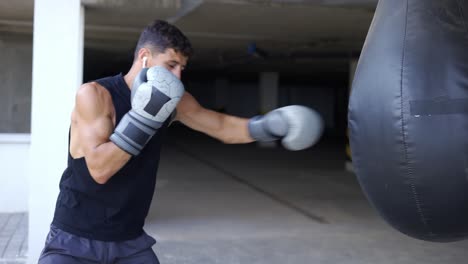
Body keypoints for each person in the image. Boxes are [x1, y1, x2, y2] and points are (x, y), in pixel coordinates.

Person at [38, 19, 323, 264]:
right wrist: (145, 118)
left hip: (129, 241)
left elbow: (222, 126)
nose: (178, 76)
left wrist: (269, 126)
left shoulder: (175, 101)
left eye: (182, 68)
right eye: (171, 64)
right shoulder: (95, 95)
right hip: (74, 240)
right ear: (145, 57)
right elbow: (99, 170)